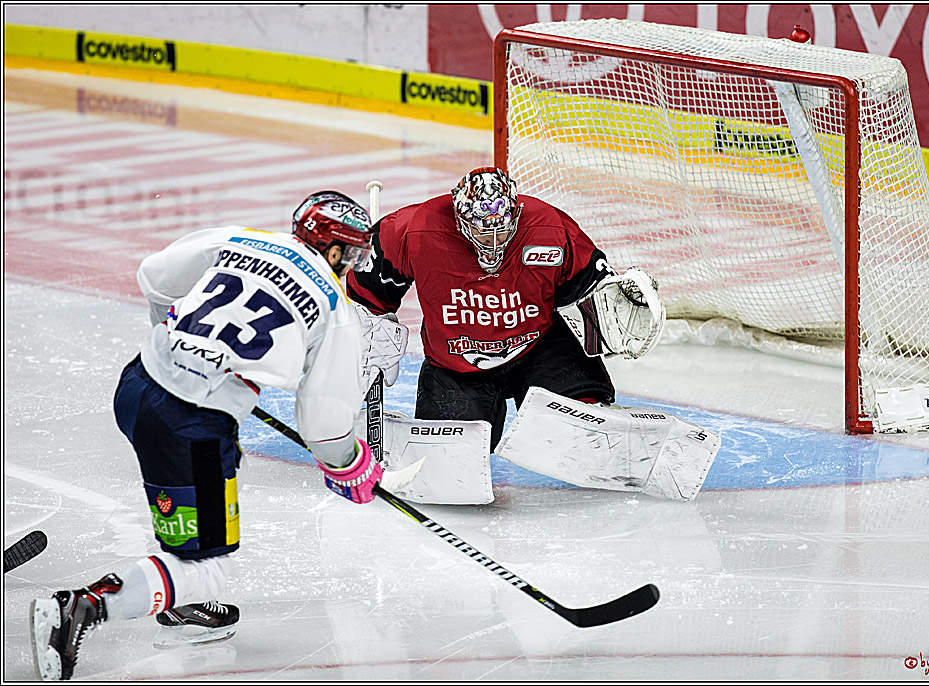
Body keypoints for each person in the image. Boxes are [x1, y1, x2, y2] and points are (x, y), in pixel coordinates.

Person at [29, 190, 405, 681]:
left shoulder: (243, 239)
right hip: (190, 425)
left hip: (139, 383)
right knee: (208, 566)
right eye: (351, 252)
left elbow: (155, 276)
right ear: (334, 250)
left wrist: (183, 339)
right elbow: (324, 424)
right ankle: (79, 608)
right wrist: (348, 464)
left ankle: (179, 596)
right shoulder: (334, 308)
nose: (352, 263)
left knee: (220, 471)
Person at [346, 166, 658, 452]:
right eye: (482, 229)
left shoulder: (550, 227)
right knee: (450, 454)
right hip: (457, 363)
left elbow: (589, 287)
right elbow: (367, 293)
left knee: (581, 432)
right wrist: (369, 332)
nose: (493, 239)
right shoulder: (412, 229)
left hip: (540, 349)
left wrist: (618, 301)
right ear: (460, 217)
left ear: (515, 212)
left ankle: (590, 414)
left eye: (502, 227)